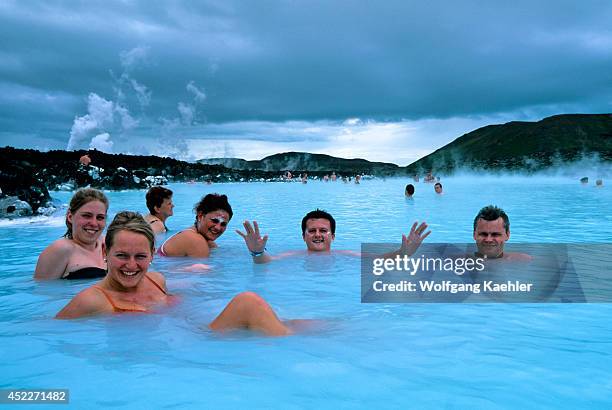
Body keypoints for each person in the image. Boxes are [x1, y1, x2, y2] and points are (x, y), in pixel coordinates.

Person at [56, 212, 292, 336]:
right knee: (248, 303)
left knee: (295, 323)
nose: (131, 265)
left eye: (140, 257)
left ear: (151, 254)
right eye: (121, 256)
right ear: (106, 251)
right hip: (187, 350)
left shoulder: (156, 280)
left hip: (192, 335)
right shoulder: (93, 300)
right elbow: (48, 332)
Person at [237, 209, 430, 264]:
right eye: (312, 231)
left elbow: (380, 260)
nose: (318, 234)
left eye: (323, 230)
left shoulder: (344, 255)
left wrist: (404, 253)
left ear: (333, 236)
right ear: (303, 236)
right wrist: (257, 252)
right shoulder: (294, 256)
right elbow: (267, 262)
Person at [34, 188, 109, 280]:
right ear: (70, 217)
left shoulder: (108, 244)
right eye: (86, 216)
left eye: (100, 217)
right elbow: (41, 290)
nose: (94, 223)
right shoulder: (60, 249)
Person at [157, 193, 232, 257]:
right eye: (214, 221)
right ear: (200, 216)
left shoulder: (207, 242)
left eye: (223, 224)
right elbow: (205, 273)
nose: (218, 228)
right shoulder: (195, 240)